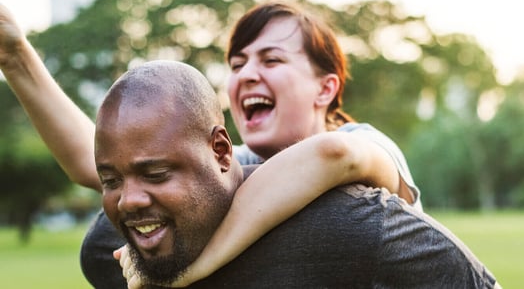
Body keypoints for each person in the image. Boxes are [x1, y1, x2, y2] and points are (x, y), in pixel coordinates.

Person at [1, 0, 418, 287]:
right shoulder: (241, 164)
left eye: (271, 60)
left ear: (326, 88)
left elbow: (334, 156)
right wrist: (15, 56)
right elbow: (101, 164)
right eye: (237, 64)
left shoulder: (363, 142)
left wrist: (182, 273)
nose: (247, 74)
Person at [98, 59, 498, 288]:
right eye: (111, 181)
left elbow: (334, 152)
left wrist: (191, 272)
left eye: (156, 173)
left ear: (221, 152)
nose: (129, 199)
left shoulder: (347, 222)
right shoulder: (115, 250)